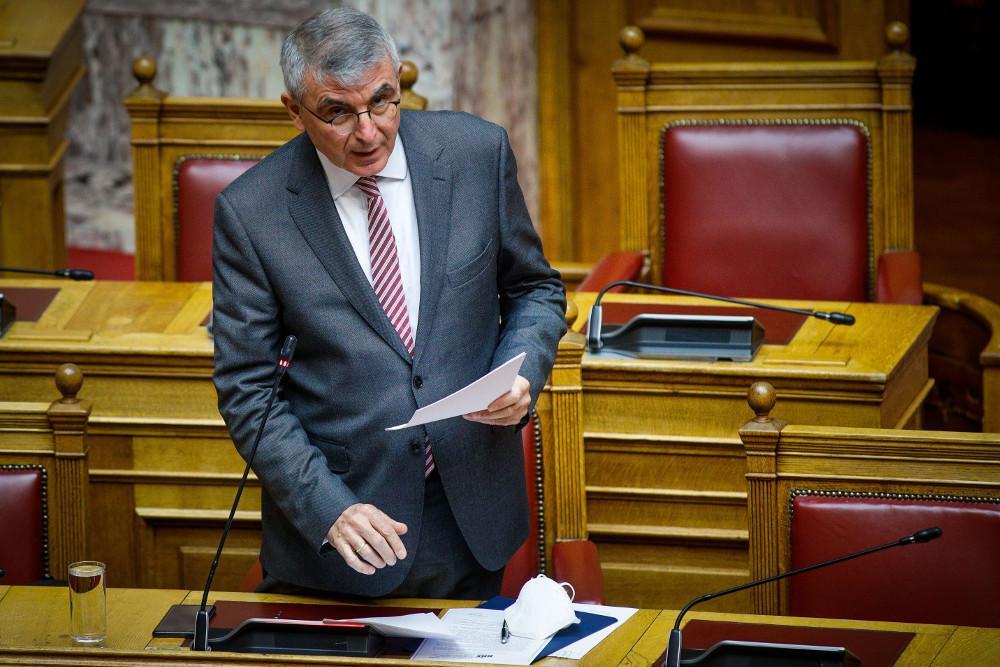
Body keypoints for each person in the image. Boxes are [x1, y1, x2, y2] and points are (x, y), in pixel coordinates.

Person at [211, 7, 566, 600]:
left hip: (468, 511)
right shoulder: (251, 213)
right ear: (294, 110)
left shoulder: (477, 153)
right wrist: (329, 509)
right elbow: (248, 390)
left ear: (398, 81)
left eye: (381, 102)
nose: (368, 132)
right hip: (343, 526)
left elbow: (535, 288)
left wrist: (523, 372)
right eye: (337, 113)